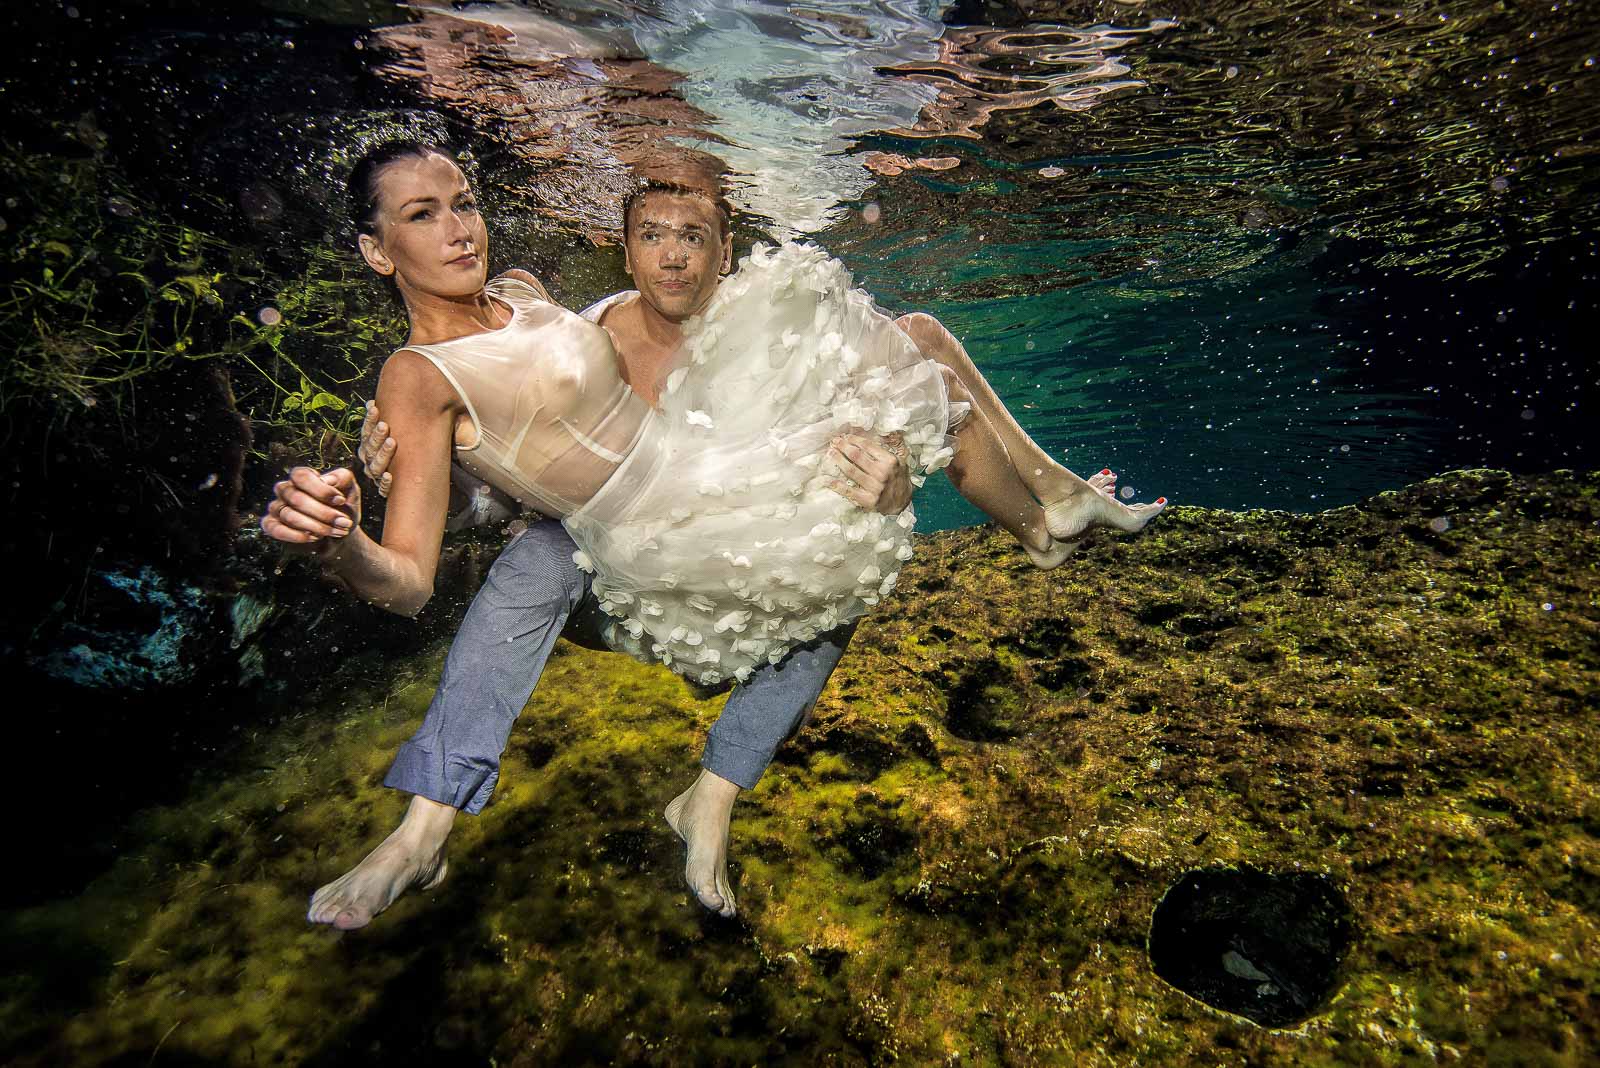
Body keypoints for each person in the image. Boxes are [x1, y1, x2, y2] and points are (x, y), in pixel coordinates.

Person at [263, 140, 1161, 924]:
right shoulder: (414, 377)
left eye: (464, 204)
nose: (459, 229)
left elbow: (525, 443)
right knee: (542, 563)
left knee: (854, 506)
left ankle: (715, 794)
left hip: (702, 482)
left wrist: (466, 482)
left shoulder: (525, 296)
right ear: (377, 251)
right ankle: (425, 826)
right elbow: (411, 580)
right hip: (622, 534)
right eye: (423, 216)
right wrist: (340, 542)